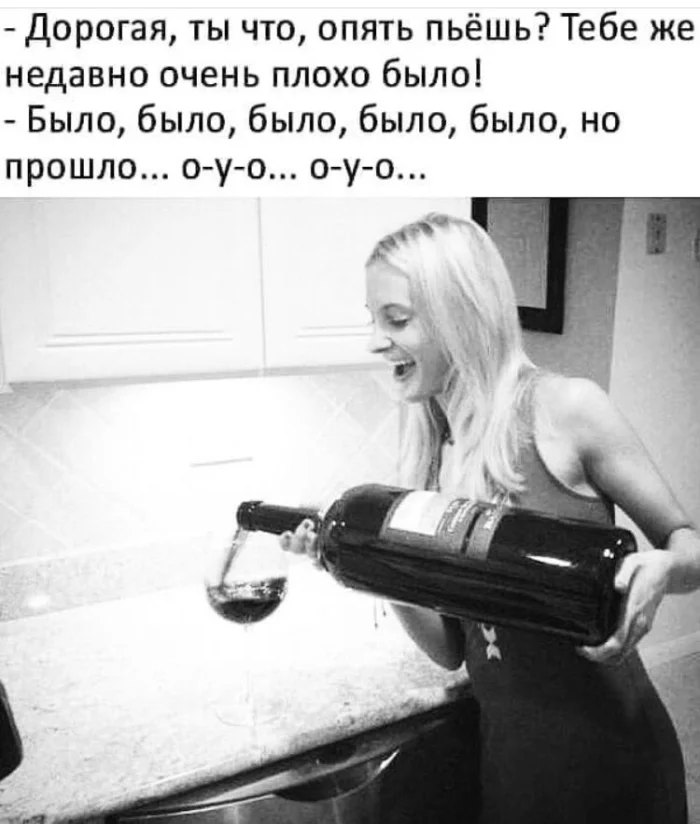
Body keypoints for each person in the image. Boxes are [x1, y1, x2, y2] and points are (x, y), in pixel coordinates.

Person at [281, 212, 700, 823]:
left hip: (609, 755)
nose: (374, 340)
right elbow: (452, 649)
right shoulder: (429, 455)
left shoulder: (565, 410)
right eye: (372, 319)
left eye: (396, 319)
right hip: (514, 765)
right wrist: (368, 568)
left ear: (460, 313)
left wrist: (663, 570)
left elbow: (689, 546)